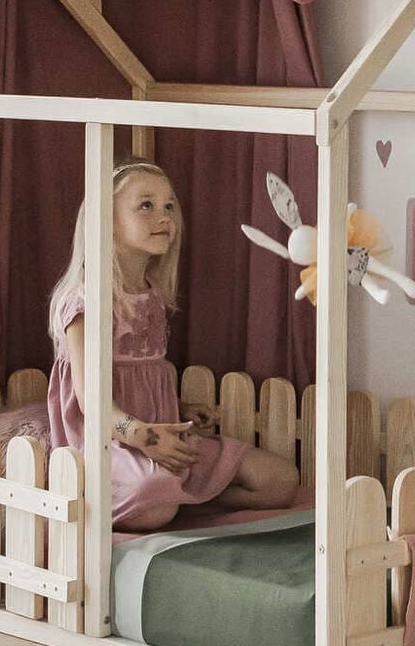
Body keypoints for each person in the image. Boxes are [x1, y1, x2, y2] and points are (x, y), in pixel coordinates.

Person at [46, 161, 300, 530]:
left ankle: (186, 500)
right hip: (113, 442)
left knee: (280, 480)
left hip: (163, 436)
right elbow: (92, 401)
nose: (163, 216)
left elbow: (141, 380)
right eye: (145, 205)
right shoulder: (85, 302)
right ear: (107, 219)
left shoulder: (153, 296)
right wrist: (144, 437)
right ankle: (170, 499)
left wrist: (179, 408)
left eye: (169, 206)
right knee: (154, 495)